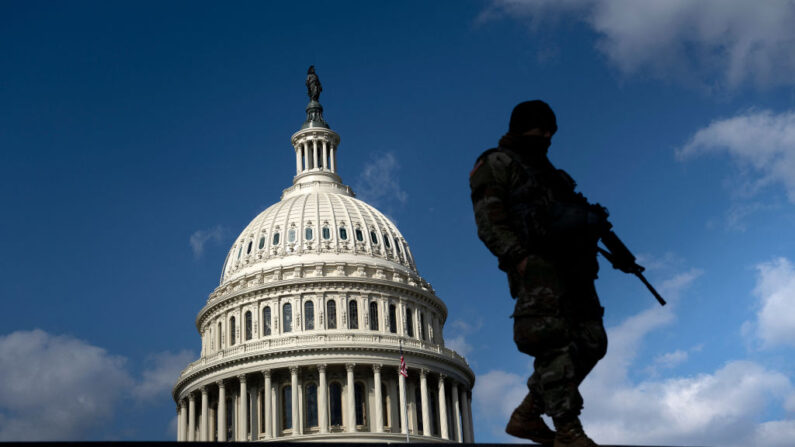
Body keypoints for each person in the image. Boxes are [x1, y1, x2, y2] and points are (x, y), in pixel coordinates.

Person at [469, 100, 609, 447]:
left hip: (573, 268)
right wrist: (518, 259)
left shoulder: (551, 174)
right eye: (542, 130)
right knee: (553, 343)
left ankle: (529, 413)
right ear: (523, 127)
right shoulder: (497, 163)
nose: (547, 137)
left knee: (592, 341)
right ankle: (567, 429)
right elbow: (489, 220)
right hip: (538, 268)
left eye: (551, 132)